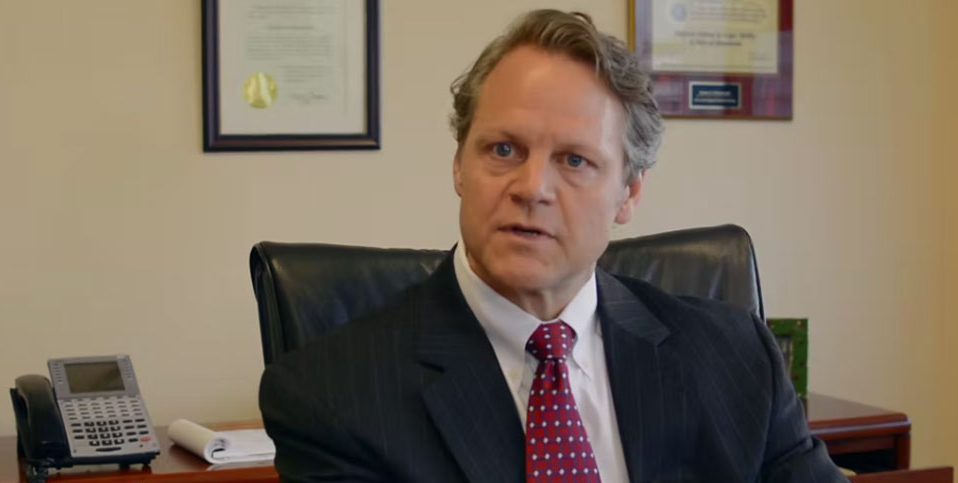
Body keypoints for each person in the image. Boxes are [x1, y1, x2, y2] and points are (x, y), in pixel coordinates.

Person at [259, 9, 846, 483]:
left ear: (628, 193)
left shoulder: (737, 359)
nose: (532, 188)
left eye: (574, 160)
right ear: (460, 165)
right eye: (504, 150)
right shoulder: (331, 395)